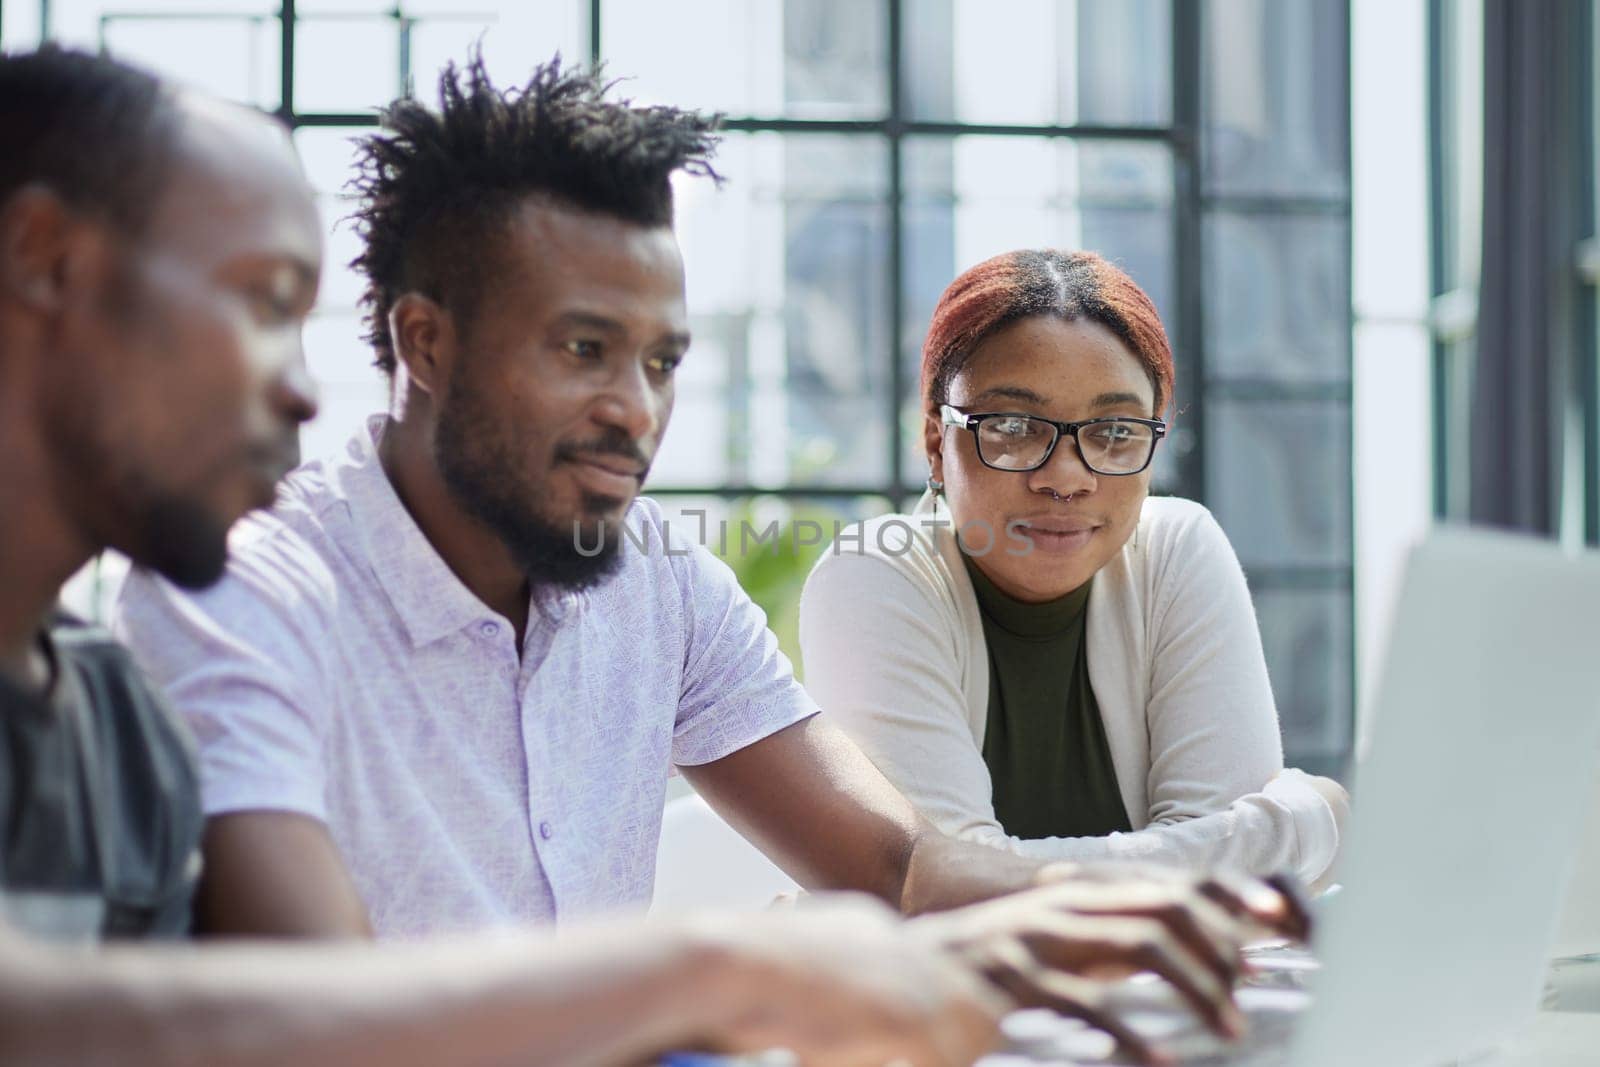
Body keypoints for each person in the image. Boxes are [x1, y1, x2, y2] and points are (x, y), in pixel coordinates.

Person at [112, 55, 1306, 1056]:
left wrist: (1138, 919)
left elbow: (900, 868)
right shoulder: (243, 588)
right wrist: (726, 968)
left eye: (662, 359)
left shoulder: (663, 585)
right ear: (424, 341)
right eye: (585, 347)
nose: (636, 406)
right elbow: (318, 1015)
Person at [800, 250, 1349, 883]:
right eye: (1012, 426)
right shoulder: (879, 573)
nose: (1067, 477)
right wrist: (1298, 828)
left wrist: (990, 875)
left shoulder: (1176, 549)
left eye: (1115, 432)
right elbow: (939, 889)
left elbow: (1239, 902)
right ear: (935, 440)